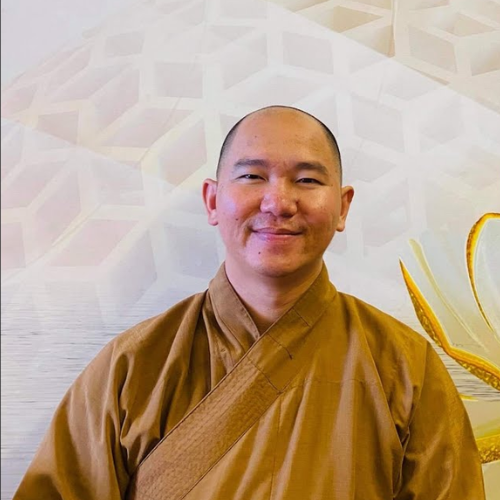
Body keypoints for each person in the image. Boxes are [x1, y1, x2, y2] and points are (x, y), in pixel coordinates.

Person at [14, 106, 485, 500]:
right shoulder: (132, 365)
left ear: (342, 207)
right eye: (253, 176)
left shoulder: (406, 367)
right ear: (212, 200)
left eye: (306, 179)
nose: (278, 202)